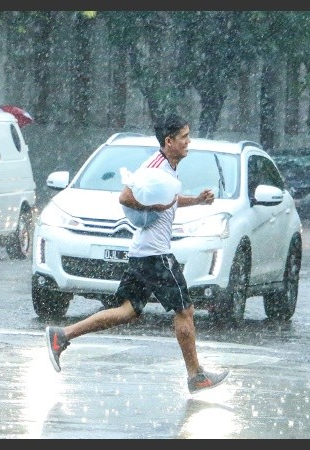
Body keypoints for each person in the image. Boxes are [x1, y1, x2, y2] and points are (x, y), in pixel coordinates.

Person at [44, 114, 230, 394]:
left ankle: (62, 335)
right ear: (169, 141)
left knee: (127, 311)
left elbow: (165, 197)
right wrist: (152, 209)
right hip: (156, 255)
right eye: (184, 137)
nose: (188, 142)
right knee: (185, 310)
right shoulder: (154, 167)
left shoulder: (167, 167)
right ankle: (196, 375)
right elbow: (126, 197)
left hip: (144, 253)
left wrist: (196, 200)